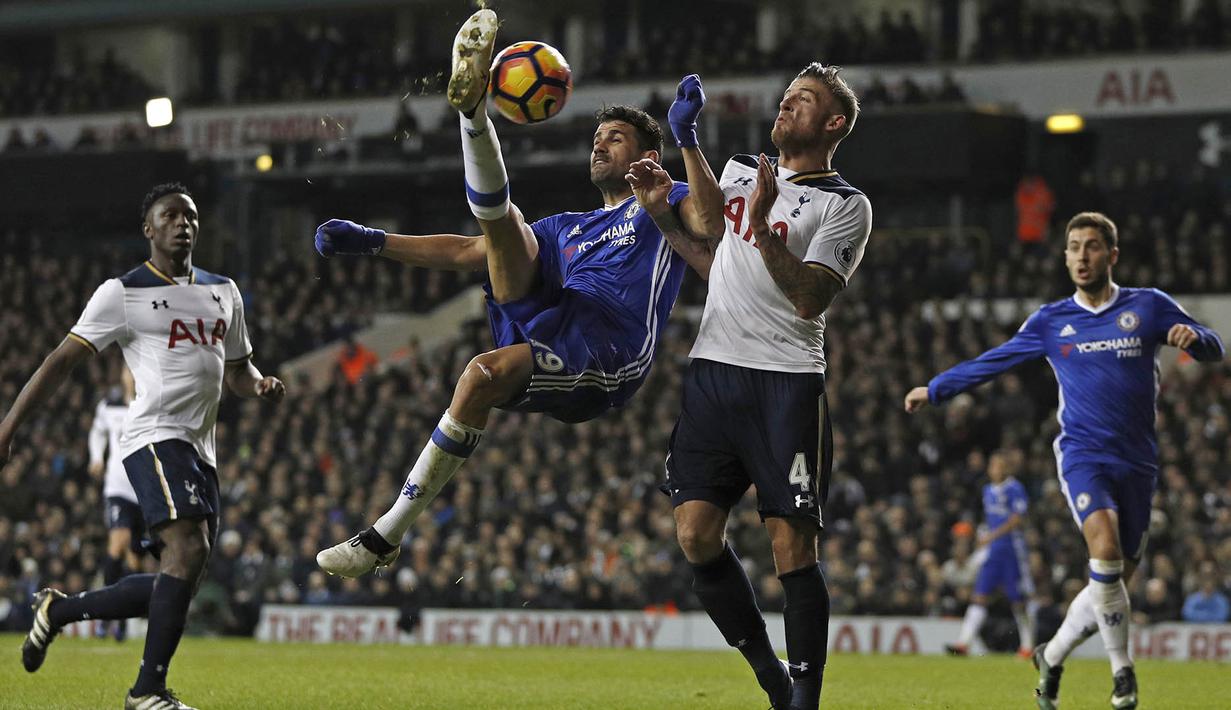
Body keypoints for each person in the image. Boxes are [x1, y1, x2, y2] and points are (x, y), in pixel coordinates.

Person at [312, 8, 725, 578]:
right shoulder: (569, 226)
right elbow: (468, 251)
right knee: (508, 227)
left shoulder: (663, 196)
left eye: (616, 138)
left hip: (609, 347)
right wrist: (375, 241)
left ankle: (386, 534)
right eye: (597, 138)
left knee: (481, 374)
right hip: (557, 322)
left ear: (646, 156)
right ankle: (473, 115)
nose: (600, 146)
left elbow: (711, 225)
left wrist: (687, 142)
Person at [904, 211, 1224, 710]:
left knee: (1112, 583)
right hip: (1082, 455)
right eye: (1073, 247)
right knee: (1105, 549)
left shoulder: (1148, 306)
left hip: (1138, 462)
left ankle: (1051, 655)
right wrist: (937, 389)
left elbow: (1214, 346)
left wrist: (1196, 340)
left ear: (1111, 255)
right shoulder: (1052, 321)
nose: (1081, 256)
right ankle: (1122, 673)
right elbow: (996, 359)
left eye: (1091, 246)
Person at [626, 63, 871, 710]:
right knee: (694, 534)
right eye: (786, 96)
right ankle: (771, 677)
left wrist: (761, 228)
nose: (786, 105)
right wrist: (668, 200)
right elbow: (716, 253)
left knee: (791, 545)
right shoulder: (739, 170)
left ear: (833, 123)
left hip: (785, 381)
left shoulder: (844, 204)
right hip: (713, 371)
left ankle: (805, 700)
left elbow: (808, 298)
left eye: (803, 100)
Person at [0, 182, 285, 710]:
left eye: (190, 216)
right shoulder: (123, 293)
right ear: (149, 229)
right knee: (188, 550)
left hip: (201, 449)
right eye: (170, 216)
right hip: (153, 435)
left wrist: (260, 385)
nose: (183, 224)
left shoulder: (224, 291)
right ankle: (146, 692)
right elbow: (60, 361)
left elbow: (239, 371)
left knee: (180, 576)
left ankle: (58, 612)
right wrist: (8, 427)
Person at [944, 450, 1036, 658]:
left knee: (1018, 600)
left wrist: (992, 535)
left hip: (1012, 550)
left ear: (1007, 468)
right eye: (993, 466)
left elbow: (1017, 518)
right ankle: (963, 643)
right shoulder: (987, 490)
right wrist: (985, 536)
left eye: (999, 466)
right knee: (979, 595)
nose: (995, 470)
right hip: (993, 552)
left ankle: (1027, 646)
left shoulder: (1015, 488)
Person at [88, 368, 145, 641]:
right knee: (117, 543)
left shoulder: (148, 403)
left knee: (133, 557)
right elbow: (97, 432)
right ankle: (106, 614)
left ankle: (121, 617)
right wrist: (96, 458)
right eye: (127, 371)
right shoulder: (108, 406)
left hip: (143, 491)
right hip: (117, 487)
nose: (131, 375)